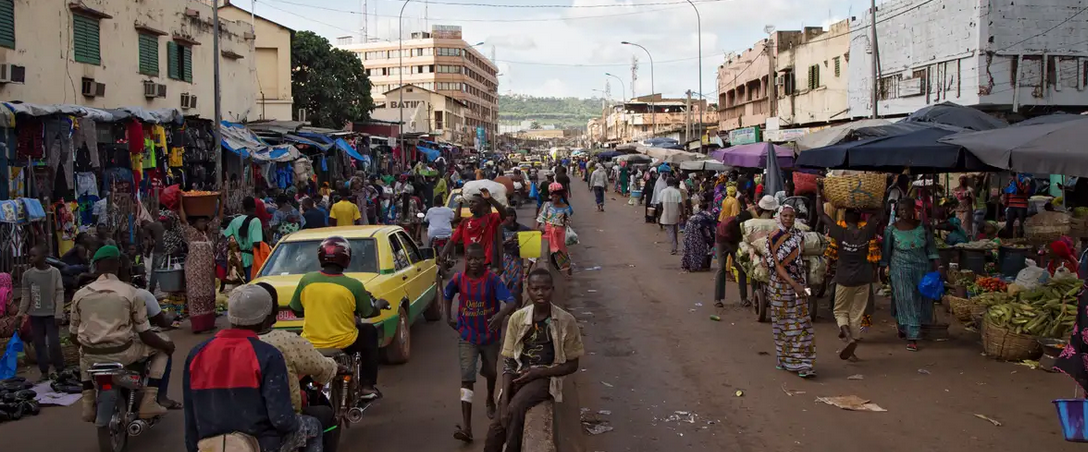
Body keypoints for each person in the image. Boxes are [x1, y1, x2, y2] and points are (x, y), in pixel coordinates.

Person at [183, 284, 323, 452]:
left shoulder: (197, 353)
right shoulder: (268, 355)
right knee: (314, 427)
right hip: (260, 444)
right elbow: (281, 419)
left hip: (210, 445)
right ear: (267, 318)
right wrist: (293, 421)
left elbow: (190, 418)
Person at [71, 245, 174, 421]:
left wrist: (95, 343)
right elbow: (145, 335)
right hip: (124, 354)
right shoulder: (132, 293)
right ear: (119, 264)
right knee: (163, 347)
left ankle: (88, 403)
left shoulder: (80, 295)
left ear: (95, 266)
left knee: (83, 352)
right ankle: (149, 400)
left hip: (92, 357)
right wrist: (167, 345)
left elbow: (73, 336)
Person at [484, 268, 583, 452]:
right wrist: (504, 400)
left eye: (545, 288)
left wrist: (541, 372)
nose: (540, 293)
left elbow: (573, 364)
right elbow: (510, 362)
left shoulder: (565, 321)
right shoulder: (517, 319)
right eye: (535, 288)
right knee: (497, 427)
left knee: (516, 408)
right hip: (519, 375)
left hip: (544, 378)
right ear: (527, 289)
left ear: (552, 289)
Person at [289, 236, 387, 399]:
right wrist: (379, 305)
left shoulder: (306, 280)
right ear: (346, 259)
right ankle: (367, 386)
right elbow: (369, 312)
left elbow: (297, 310)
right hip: (345, 343)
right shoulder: (353, 285)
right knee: (369, 332)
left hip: (311, 343)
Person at [445, 243, 519, 443]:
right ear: (466, 259)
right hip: (467, 336)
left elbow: (511, 301)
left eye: (478, 258)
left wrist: (501, 315)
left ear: (484, 260)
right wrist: (448, 317)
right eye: (470, 258)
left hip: (490, 338)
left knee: (492, 372)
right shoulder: (458, 279)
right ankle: (467, 427)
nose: (474, 262)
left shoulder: (493, 281)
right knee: (467, 378)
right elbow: (447, 294)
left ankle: (489, 397)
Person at [255, 282, 340, 452]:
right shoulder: (285, 341)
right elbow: (322, 368)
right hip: (276, 425)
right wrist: (334, 366)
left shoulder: (213, 348)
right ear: (274, 312)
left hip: (229, 425)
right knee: (322, 418)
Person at [816, 184, 883, 360]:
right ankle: (852, 346)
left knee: (839, 311)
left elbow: (821, 214)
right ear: (860, 218)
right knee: (856, 313)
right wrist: (871, 204)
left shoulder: (840, 232)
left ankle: (848, 337)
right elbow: (882, 212)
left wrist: (818, 191)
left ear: (845, 218)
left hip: (844, 278)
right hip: (864, 277)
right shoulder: (867, 231)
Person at [762, 205, 815, 378]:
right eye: (785, 216)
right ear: (779, 216)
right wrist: (793, 283)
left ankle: (803, 364)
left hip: (800, 283)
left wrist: (802, 284)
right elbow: (777, 266)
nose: (788, 219)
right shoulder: (772, 238)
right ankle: (784, 359)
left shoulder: (799, 235)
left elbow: (800, 259)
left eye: (791, 216)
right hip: (779, 286)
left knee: (803, 323)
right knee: (782, 323)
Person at [882, 199, 940, 352]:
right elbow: (886, 252)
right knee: (906, 298)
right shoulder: (891, 230)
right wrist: (882, 268)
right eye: (901, 210)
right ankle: (912, 336)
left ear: (913, 210)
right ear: (897, 211)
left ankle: (904, 325)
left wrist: (938, 266)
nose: (904, 213)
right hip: (900, 268)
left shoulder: (923, 227)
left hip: (922, 267)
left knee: (920, 298)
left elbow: (931, 248)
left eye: (906, 209)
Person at [16, 245, 66, 381]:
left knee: (54, 343)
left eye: (34, 255)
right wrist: (20, 314)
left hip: (51, 315)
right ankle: (44, 371)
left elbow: (59, 293)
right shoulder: (28, 275)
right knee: (39, 344)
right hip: (35, 315)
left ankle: (60, 368)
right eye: (30, 256)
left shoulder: (54, 272)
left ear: (44, 256)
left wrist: (58, 314)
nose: (31, 258)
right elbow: (26, 295)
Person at [179, 191, 226, 334]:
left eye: (205, 221)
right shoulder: (191, 233)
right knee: (195, 297)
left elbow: (219, 217)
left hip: (207, 271)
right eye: (201, 221)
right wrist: (181, 201)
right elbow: (182, 218)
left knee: (209, 296)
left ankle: (209, 324)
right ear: (195, 222)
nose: (204, 223)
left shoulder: (210, 232)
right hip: (194, 272)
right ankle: (198, 326)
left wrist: (221, 201)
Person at [440, 189, 509, 274]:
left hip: (485, 264)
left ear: (482, 206)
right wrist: (442, 255)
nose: (470, 204)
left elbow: (504, 214)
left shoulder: (490, 219)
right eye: (470, 202)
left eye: (474, 202)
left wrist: (490, 199)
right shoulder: (465, 222)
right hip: (470, 266)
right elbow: (452, 241)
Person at [714, 210, 753, 308]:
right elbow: (726, 239)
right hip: (722, 242)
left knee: (741, 268)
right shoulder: (728, 224)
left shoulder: (742, 224)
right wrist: (738, 252)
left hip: (734, 242)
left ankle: (743, 298)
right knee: (721, 268)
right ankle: (717, 299)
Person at [536, 183, 574, 275]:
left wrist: (566, 221)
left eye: (556, 197)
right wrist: (540, 226)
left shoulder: (565, 207)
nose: (554, 199)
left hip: (560, 231)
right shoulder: (548, 205)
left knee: (561, 250)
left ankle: (567, 266)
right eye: (552, 197)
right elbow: (542, 216)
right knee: (544, 250)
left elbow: (568, 220)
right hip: (547, 230)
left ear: (560, 197)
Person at [222, 197, 264, 281]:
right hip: (251, 260)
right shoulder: (255, 221)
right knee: (251, 286)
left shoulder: (235, 221)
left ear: (243, 208)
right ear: (254, 207)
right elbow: (256, 242)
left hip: (237, 261)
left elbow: (225, 236)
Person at [501, 207, 533, 306]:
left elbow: (531, 233)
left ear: (514, 216)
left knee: (518, 284)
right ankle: (510, 306)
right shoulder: (501, 229)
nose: (509, 218)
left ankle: (518, 305)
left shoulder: (521, 228)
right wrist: (510, 239)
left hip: (518, 259)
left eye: (511, 215)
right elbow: (499, 244)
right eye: (506, 216)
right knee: (508, 284)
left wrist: (540, 231)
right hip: (507, 259)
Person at [681, 197, 716, 272]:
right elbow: (708, 231)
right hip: (696, 228)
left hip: (689, 225)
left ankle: (688, 264)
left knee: (689, 245)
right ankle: (696, 265)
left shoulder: (701, 213)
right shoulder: (709, 216)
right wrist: (711, 241)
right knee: (699, 246)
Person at [658, 178, 684, 255]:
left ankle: (674, 248)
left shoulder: (663, 192)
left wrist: (659, 215)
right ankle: (675, 246)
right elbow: (680, 204)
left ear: (667, 183)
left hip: (666, 213)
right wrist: (682, 214)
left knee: (671, 232)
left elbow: (660, 205)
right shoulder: (677, 192)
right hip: (675, 213)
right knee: (675, 231)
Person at [1004, 172, 1031, 237]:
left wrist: (1016, 181)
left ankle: (1021, 239)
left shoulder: (1026, 180)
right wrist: (1006, 203)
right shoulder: (1010, 181)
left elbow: (1023, 191)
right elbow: (1007, 193)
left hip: (1021, 205)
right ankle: (1008, 239)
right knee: (1009, 223)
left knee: (1022, 225)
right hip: (1011, 205)